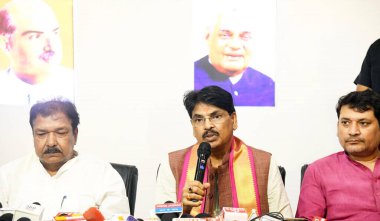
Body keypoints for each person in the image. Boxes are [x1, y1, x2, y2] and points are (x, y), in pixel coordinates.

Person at [155, 86, 292, 218]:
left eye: (216, 117)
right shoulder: (173, 164)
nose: (208, 125)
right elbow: (159, 217)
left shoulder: (263, 163)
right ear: (192, 126)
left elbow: (285, 217)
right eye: (199, 119)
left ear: (234, 120)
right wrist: (182, 208)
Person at [0, 98, 130, 220]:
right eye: (41, 134)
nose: (51, 142)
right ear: (33, 135)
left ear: (75, 134)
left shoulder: (104, 175)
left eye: (60, 132)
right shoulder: (8, 175)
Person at [296, 90, 380, 220]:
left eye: (363, 123)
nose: (353, 132)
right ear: (337, 127)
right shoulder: (318, 171)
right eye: (345, 123)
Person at [194, 5, 275, 106]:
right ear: (207, 38)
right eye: (225, 35)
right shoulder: (190, 79)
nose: (235, 45)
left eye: (245, 37)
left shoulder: (266, 86)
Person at [0, 0, 75, 105]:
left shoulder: (77, 84)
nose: (51, 46)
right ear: (6, 43)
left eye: (55, 33)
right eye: (35, 36)